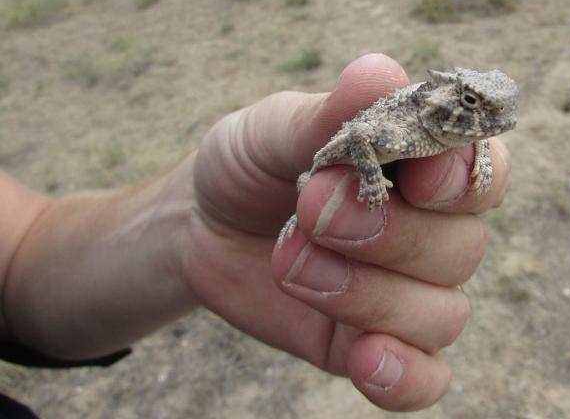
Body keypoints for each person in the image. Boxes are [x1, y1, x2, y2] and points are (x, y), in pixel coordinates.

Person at [0, 54, 511, 413]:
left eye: (490, 109)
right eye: (470, 101)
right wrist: (373, 178)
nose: (486, 117)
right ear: (447, 95)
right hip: (328, 171)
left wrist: (196, 228)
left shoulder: (443, 129)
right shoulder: (409, 124)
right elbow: (359, 135)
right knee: (321, 199)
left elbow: (19, 252)